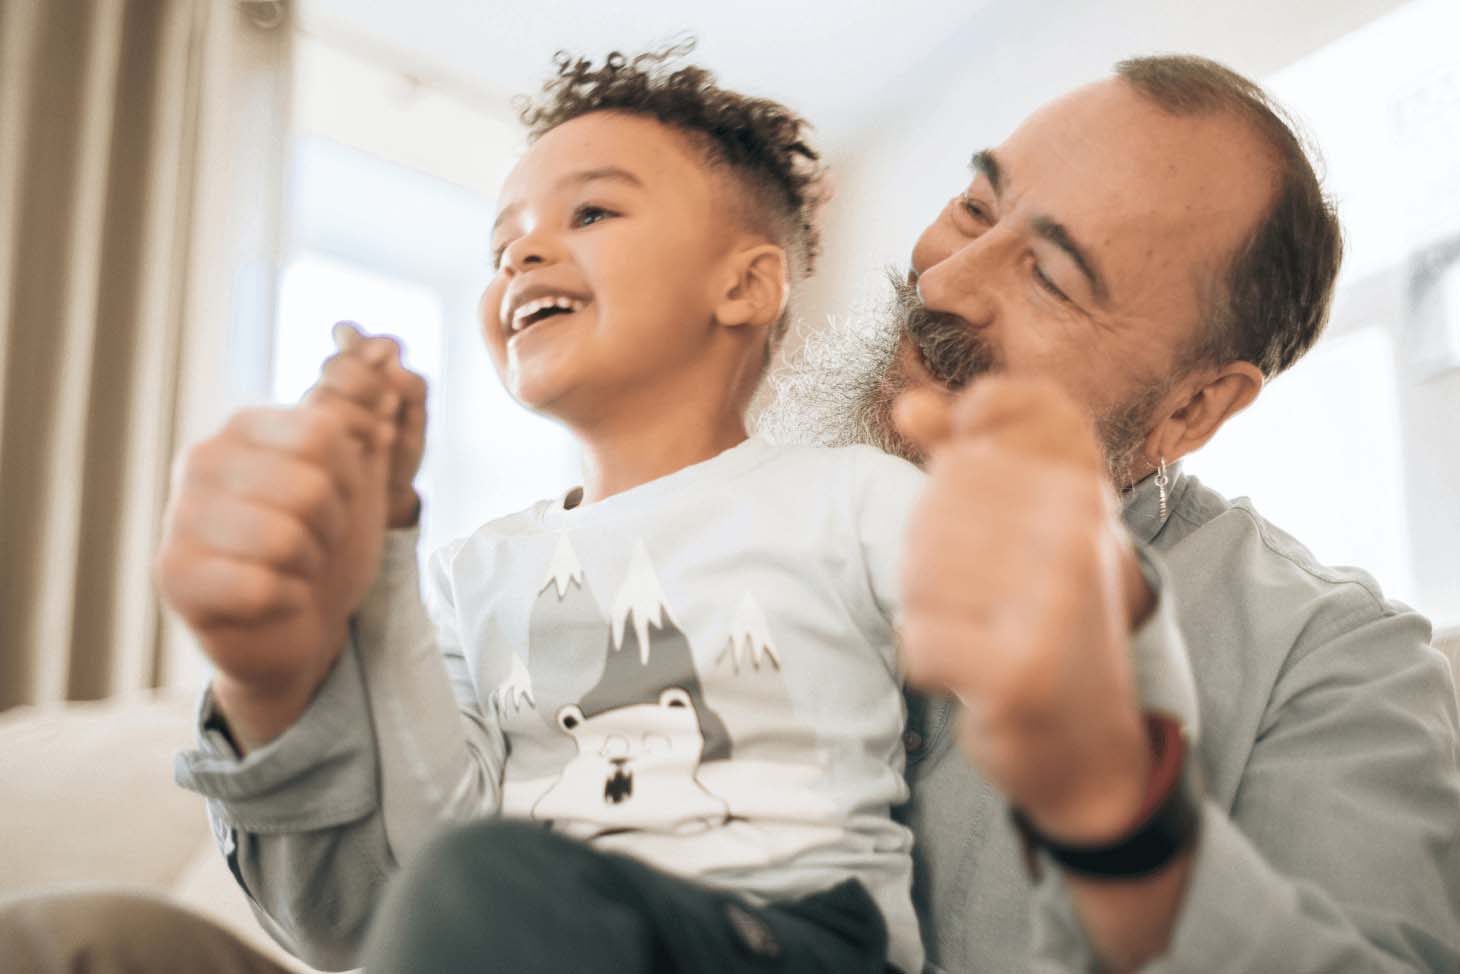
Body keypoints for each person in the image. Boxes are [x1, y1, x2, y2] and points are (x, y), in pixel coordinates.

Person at [2, 51, 1454, 974]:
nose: (944, 284)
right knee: (81, 941)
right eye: (971, 207)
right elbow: (393, 912)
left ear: (1198, 407)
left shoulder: (1337, 664)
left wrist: (1128, 831)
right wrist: (280, 678)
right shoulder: (656, 521)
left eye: (1052, 274)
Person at [158, 48, 1012, 974]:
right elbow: (433, 849)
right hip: (529, 923)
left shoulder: (852, 496)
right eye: (500, 246)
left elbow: (1047, 684)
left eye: (592, 212)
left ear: (745, 287)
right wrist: (382, 551)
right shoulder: (468, 571)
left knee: (495, 882)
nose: (521, 252)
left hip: (792, 942)